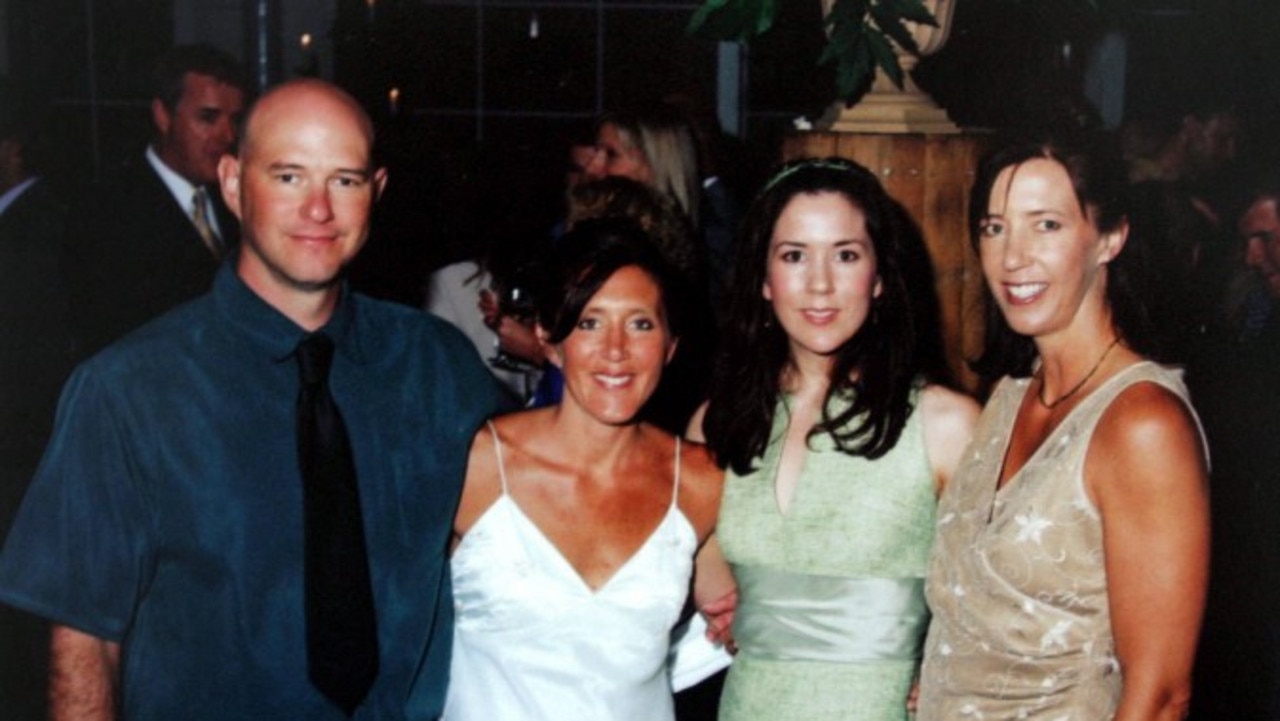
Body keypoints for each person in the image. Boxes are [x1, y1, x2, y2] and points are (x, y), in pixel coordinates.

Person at [0, 79, 508, 721]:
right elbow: (83, 640)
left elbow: (534, 528)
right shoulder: (129, 392)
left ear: (376, 192)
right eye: (290, 176)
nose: (319, 209)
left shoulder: (437, 368)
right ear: (234, 183)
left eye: (345, 180)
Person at [917, 132, 1210, 720]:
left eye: (1045, 225)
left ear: (1109, 238)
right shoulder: (1008, 398)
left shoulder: (1142, 423)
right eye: (994, 227)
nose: (1012, 256)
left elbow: (1159, 697)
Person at [690, 157, 979, 720]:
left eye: (845, 255)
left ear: (878, 278)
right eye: (794, 256)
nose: (819, 283)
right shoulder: (718, 424)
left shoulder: (946, 424)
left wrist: (950, 667)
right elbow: (714, 595)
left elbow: (1001, 603)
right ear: (763, 281)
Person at [443, 218, 732, 721]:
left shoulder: (702, 482)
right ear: (548, 338)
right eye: (589, 322)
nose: (616, 350)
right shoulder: (478, 464)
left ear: (671, 346)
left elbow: (753, 618)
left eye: (640, 323)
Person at [66, 44, 247, 355]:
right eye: (208, 118)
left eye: (234, 120)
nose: (227, 135)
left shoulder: (237, 199)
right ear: (163, 116)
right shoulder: (107, 214)